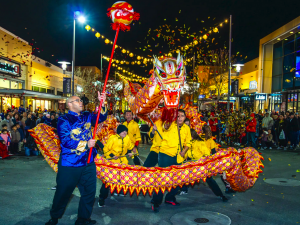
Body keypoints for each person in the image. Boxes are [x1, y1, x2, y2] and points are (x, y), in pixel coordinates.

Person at [45, 92, 107, 225]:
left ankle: (83, 219)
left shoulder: (87, 115)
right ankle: (54, 217)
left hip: (88, 161)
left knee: (89, 192)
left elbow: (101, 117)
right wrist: (85, 145)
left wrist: (103, 102)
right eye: (77, 100)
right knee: (63, 192)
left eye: (81, 100)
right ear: (69, 104)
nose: (81, 102)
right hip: (70, 163)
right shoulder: (64, 120)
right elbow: (66, 141)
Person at [151, 109, 191, 213]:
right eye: (178, 116)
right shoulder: (170, 124)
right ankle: (156, 202)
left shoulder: (187, 128)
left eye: (182, 116)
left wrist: (184, 151)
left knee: (177, 181)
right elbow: (165, 127)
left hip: (178, 157)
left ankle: (170, 198)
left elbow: (188, 142)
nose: (180, 118)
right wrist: (169, 116)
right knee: (162, 180)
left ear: (185, 117)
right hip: (165, 155)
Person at [98, 125, 136, 207]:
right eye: (123, 131)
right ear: (119, 132)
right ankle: (102, 198)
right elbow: (106, 149)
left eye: (126, 131)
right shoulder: (113, 138)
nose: (125, 133)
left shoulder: (127, 138)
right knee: (107, 180)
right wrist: (112, 155)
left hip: (123, 162)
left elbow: (130, 147)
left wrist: (130, 153)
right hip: (112, 162)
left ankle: (117, 191)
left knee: (120, 178)